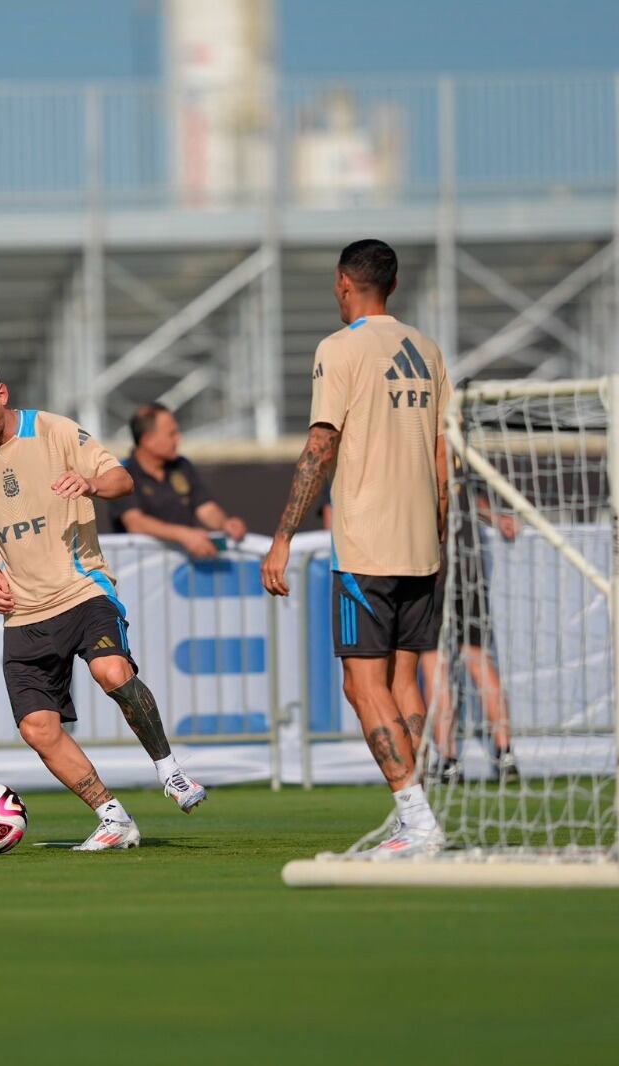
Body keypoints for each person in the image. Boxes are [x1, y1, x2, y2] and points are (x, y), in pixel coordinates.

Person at [0, 353, 207, 852]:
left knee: (111, 671)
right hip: (23, 611)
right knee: (37, 728)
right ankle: (113, 818)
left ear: (0, 394)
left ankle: (170, 772)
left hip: (81, 589)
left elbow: (122, 480)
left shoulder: (55, 431)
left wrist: (89, 483)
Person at [260, 238, 450, 860]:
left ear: (345, 283)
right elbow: (443, 457)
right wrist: (440, 529)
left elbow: (321, 446)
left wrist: (283, 537)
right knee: (403, 681)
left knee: (360, 684)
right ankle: (416, 810)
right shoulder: (427, 350)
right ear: (390, 286)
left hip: (366, 543)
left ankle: (416, 818)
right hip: (422, 542)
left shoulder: (338, 349)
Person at [424, 454, 521, 785]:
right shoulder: (461, 455)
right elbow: (470, 497)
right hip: (469, 564)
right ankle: (505, 754)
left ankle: (449, 759)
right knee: (477, 657)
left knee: (435, 661)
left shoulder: (417, 445)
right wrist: (495, 516)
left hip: (431, 566)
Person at [108, 402, 248, 557]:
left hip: (182, 570)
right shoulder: (121, 473)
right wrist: (183, 535)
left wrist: (225, 524)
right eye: (172, 434)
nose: (178, 439)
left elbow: (206, 508)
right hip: (141, 570)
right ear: (148, 440)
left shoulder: (182, 466)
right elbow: (135, 523)